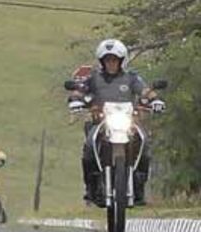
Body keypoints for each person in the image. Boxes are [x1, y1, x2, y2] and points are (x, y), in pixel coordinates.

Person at [67, 38, 165, 205]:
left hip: (127, 122)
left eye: (114, 59)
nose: (111, 63)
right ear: (102, 61)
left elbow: (145, 91)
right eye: (107, 60)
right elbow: (80, 90)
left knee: (144, 143)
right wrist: (75, 100)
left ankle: (139, 189)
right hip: (101, 122)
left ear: (121, 61)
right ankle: (91, 188)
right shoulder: (94, 78)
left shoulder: (131, 77)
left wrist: (155, 100)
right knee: (89, 149)